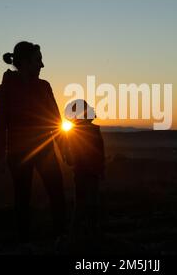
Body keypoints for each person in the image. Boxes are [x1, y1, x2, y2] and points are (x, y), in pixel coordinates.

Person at [0, 41, 66, 241]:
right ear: (24, 62)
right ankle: (25, 239)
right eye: (38, 60)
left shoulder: (44, 86)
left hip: (43, 149)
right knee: (24, 197)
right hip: (19, 153)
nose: (42, 65)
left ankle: (61, 234)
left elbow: (55, 121)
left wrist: (65, 150)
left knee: (56, 191)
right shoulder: (4, 90)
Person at [63, 100, 105, 245]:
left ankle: (76, 236)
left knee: (81, 204)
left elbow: (69, 157)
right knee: (90, 203)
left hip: (82, 172)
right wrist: (101, 169)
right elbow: (100, 152)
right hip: (89, 172)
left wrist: (70, 160)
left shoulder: (72, 132)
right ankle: (90, 234)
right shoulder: (93, 130)